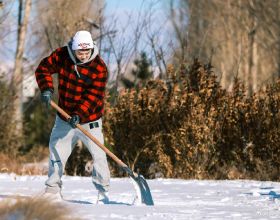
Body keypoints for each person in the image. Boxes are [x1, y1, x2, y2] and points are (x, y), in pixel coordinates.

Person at [35, 30, 110, 204]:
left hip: (90, 119)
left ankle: (103, 191)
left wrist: (78, 114)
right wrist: (46, 89)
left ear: (91, 48)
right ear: (73, 49)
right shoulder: (62, 55)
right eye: (80, 52)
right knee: (57, 151)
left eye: (87, 52)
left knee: (99, 154)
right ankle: (52, 190)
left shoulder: (99, 68)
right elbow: (43, 68)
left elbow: (93, 96)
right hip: (64, 115)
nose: (83, 55)